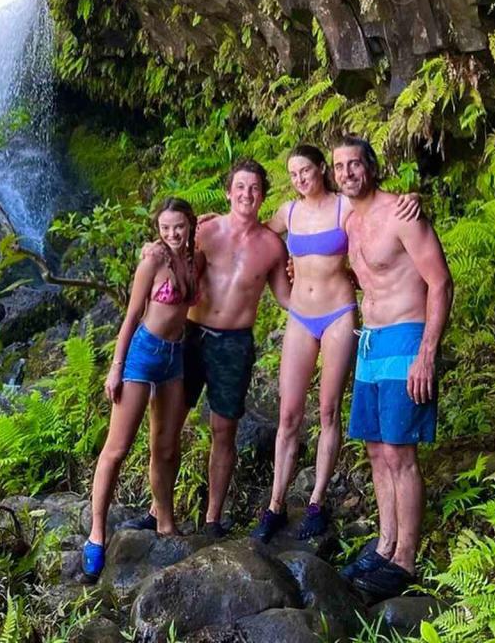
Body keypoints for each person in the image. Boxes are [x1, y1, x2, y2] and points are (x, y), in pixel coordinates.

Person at [251, 146, 420, 543]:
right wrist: (209, 225)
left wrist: (414, 198)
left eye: (306, 171)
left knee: (328, 409)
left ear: (322, 170)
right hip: (300, 314)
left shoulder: (344, 206)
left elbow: (381, 212)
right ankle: (275, 503)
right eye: (293, 174)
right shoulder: (288, 213)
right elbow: (253, 232)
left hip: (338, 314)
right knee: (289, 413)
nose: (300, 179)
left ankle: (316, 499)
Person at [123, 159, 292, 536]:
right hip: (190, 336)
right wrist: (151, 253)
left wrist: (323, 283)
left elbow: (286, 297)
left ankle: (213, 518)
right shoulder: (205, 231)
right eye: (240, 187)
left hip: (234, 343)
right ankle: (157, 509)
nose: (247, 194)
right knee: (168, 425)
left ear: (263, 194)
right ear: (229, 191)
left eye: (254, 188)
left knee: (223, 429)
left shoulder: (271, 247)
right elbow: (169, 251)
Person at [333, 135, 453, 599]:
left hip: (406, 337)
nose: (347, 173)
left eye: (355, 164)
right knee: (377, 451)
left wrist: (427, 353)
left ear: (372, 167)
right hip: (370, 343)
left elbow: (440, 282)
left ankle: (405, 559)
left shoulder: (402, 214)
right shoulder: (349, 222)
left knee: (401, 454)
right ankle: (385, 545)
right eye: (340, 166)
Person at [81, 197, 205, 580]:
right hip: (142, 354)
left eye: (179, 227)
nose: (172, 234)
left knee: (166, 446)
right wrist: (115, 368)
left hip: (174, 356)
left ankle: (164, 521)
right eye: (165, 228)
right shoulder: (152, 260)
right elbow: (132, 315)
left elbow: (217, 224)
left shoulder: (193, 259)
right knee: (117, 448)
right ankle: (97, 534)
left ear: (190, 226)